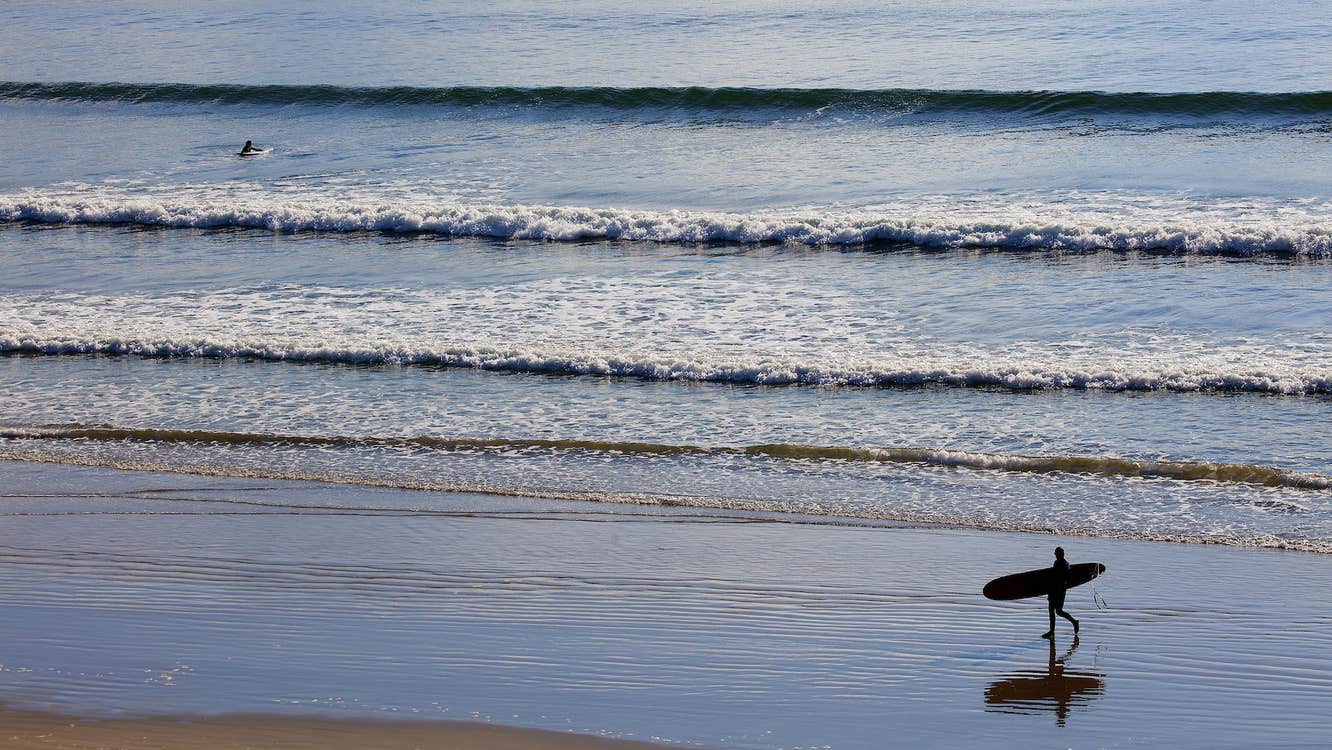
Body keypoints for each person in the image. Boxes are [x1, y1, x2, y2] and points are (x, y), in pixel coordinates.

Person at [1042, 546, 1079, 638]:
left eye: (1058, 554)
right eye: (1056, 554)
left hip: (1060, 590)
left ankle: (1074, 621)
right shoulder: (1056, 562)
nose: (1057, 556)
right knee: (1051, 611)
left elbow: (1068, 578)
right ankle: (1051, 631)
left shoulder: (1066, 565)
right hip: (1052, 590)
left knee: (1058, 611)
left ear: (1062, 555)